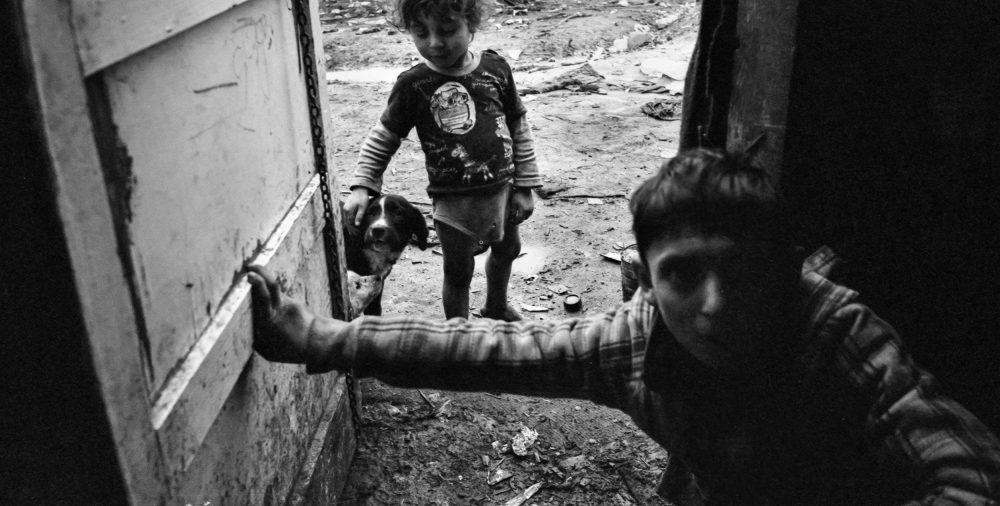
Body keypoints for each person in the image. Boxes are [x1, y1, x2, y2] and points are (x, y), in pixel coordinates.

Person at [250, 149, 1000, 505]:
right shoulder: (632, 346)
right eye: (683, 274)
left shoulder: (836, 333)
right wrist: (323, 339)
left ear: (787, 267)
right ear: (646, 274)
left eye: (743, 271)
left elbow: (970, 473)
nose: (714, 304)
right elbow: (489, 348)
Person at [343, 0, 541, 321]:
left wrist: (526, 185)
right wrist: (362, 185)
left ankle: (496, 305)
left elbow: (518, 125)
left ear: (472, 23)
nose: (435, 43)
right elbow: (384, 136)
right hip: (453, 203)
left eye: (447, 29)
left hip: (502, 190)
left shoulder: (495, 70)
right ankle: (458, 336)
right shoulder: (414, 84)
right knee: (458, 271)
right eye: (421, 33)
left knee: (507, 250)